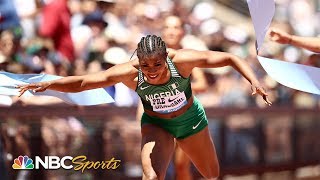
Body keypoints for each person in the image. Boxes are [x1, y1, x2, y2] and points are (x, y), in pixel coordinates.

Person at [18, 35, 271, 180]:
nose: (151, 71)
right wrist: (51, 84)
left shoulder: (181, 61)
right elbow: (84, 82)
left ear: (166, 58)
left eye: (157, 65)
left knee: (211, 174)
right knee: (152, 177)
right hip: (156, 125)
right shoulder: (128, 72)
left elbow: (230, 58)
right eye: (145, 65)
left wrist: (254, 81)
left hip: (190, 121)